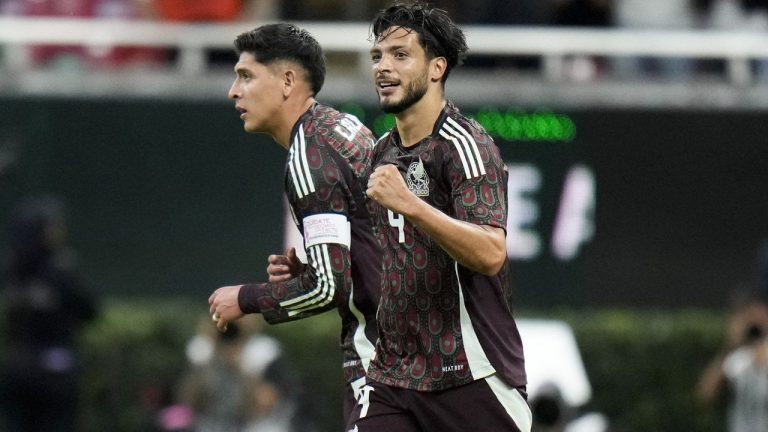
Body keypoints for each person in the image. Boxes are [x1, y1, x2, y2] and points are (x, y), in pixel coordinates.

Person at [346, 3, 531, 431]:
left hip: (471, 376)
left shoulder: (465, 145)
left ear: (436, 68)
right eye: (378, 56)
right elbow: (389, 261)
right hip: (394, 377)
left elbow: (490, 252)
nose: (383, 68)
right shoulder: (381, 154)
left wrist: (411, 204)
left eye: (400, 55)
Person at [206, 23, 382, 422]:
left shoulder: (309, 157)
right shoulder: (341, 127)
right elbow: (378, 248)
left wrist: (245, 299)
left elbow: (327, 288)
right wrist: (317, 266)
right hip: (423, 346)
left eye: (246, 76)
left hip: (388, 361)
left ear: (288, 81)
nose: (233, 91)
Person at [0, 196, 98, 432]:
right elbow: (89, 310)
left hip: (19, 367)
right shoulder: (58, 270)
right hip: (52, 371)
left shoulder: (10, 270)